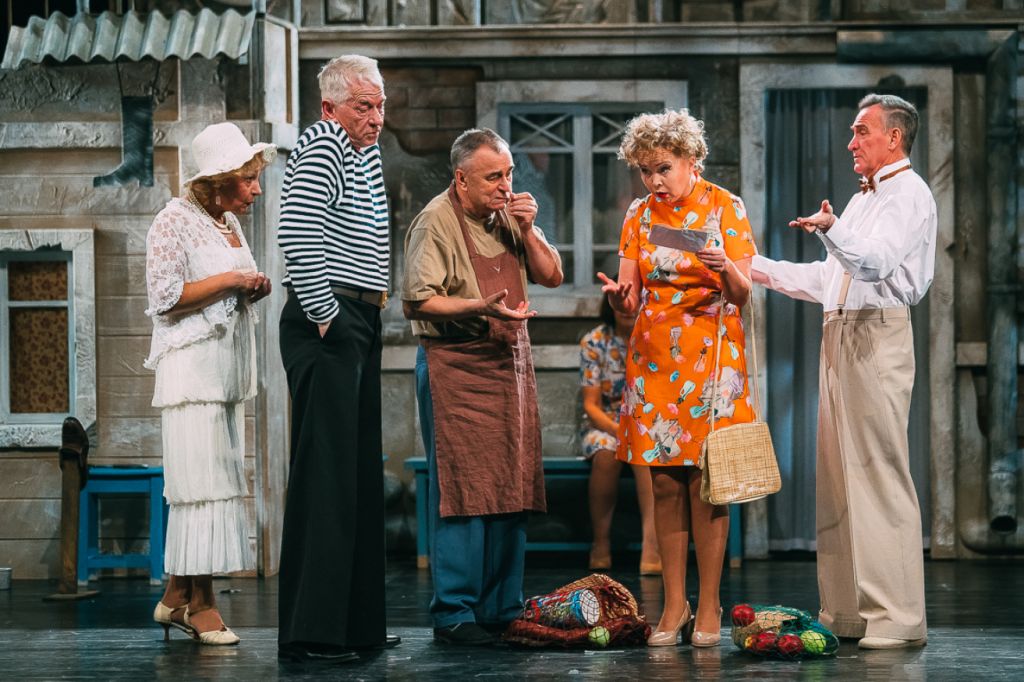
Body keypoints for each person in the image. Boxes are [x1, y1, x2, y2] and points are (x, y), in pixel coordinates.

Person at [751, 93, 934, 650]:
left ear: (894, 137)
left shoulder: (909, 192)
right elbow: (828, 280)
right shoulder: (860, 200)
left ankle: (896, 618)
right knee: (837, 478)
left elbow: (875, 264)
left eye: (861, 131)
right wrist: (751, 266)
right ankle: (848, 612)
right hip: (840, 330)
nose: (851, 142)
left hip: (875, 334)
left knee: (878, 473)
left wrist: (831, 229)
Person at [598, 109, 757, 648]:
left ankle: (709, 603)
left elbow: (742, 293)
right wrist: (621, 299)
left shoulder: (725, 206)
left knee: (707, 484)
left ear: (691, 159)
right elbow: (630, 297)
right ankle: (673, 604)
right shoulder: (639, 214)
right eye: (644, 170)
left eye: (662, 168)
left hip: (711, 358)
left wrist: (723, 266)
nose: (653, 180)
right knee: (664, 484)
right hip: (655, 359)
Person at [402, 128, 563, 646]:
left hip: (508, 364)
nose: (505, 185)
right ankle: (455, 612)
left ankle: (501, 607)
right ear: (461, 179)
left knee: (511, 486)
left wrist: (530, 229)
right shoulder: (435, 221)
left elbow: (552, 275)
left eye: (509, 174)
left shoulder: (509, 216)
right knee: (464, 491)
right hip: (458, 364)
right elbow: (418, 301)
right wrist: (481, 306)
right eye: (493, 177)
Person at [276, 54, 397, 664]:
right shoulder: (324, 143)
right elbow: (296, 230)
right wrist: (326, 314)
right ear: (330, 108)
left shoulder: (363, 152)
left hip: (359, 317)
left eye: (380, 105)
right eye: (363, 106)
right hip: (329, 320)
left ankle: (356, 625)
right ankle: (312, 633)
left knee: (356, 475)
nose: (376, 118)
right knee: (326, 477)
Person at [145, 122, 275, 646]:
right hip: (191, 374)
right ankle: (201, 604)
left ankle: (175, 597)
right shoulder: (172, 221)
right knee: (198, 486)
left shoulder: (228, 223)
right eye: (249, 179)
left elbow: (231, 286)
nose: (257, 189)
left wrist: (252, 286)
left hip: (224, 371)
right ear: (219, 181)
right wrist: (232, 280)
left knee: (218, 482)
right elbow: (165, 298)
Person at [579, 290, 660, 574]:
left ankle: (652, 545)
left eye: (634, 302)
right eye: (621, 303)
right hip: (606, 423)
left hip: (647, 422)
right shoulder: (594, 341)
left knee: (645, 453)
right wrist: (619, 430)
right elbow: (591, 405)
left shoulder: (654, 337)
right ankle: (600, 542)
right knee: (606, 454)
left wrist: (635, 430)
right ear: (611, 305)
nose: (628, 309)